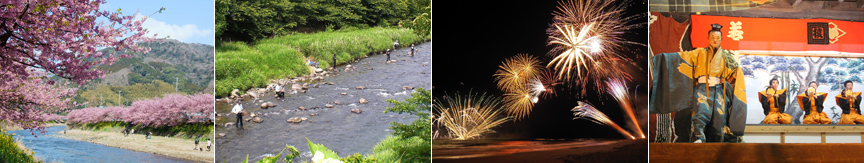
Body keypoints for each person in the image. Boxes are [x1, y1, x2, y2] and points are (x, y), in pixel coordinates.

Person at [650, 24, 747, 143]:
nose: (715, 40)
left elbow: (737, 72)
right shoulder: (698, 52)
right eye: (712, 37)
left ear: (722, 39)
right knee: (701, 113)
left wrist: (727, 82)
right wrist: (663, 58)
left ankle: (717, 141)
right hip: (702, 88)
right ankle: (699, 138)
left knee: (719, 116)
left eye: (717, 37)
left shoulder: (726, 57)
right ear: (708, 38)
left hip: (719, 90)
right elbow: (683, 57)